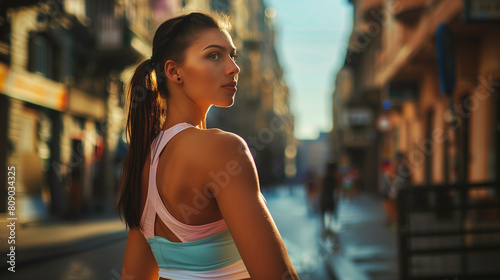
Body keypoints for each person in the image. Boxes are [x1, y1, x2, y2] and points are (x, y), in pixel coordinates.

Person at [114, 12, 299, 280]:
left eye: (232, 55)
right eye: (214, 55)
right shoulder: (223, 149)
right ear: (174, 71)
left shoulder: (144, 159)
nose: (234, 68)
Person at [319, 162, 340, 237]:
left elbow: (319, 188)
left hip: (323, 198)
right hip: (330, 199)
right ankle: (327, 227)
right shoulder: (335, 179)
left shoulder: (323, 178)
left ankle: (324, 228)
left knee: (323, 214)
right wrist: (337, 202)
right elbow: (337, 191)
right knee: (329, 214)